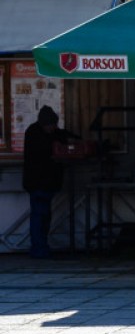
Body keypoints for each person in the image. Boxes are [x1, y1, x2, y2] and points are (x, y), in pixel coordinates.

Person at [22, 106, 76, 259]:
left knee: (42, 216)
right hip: (40, 182)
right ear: (45, 124)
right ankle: (39, 248)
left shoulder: (35, 132)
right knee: (41, 216)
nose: (53, 128)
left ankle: (40, 247)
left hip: (41, 183)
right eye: (51, 125)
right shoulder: (36, 134)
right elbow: (46, 151)